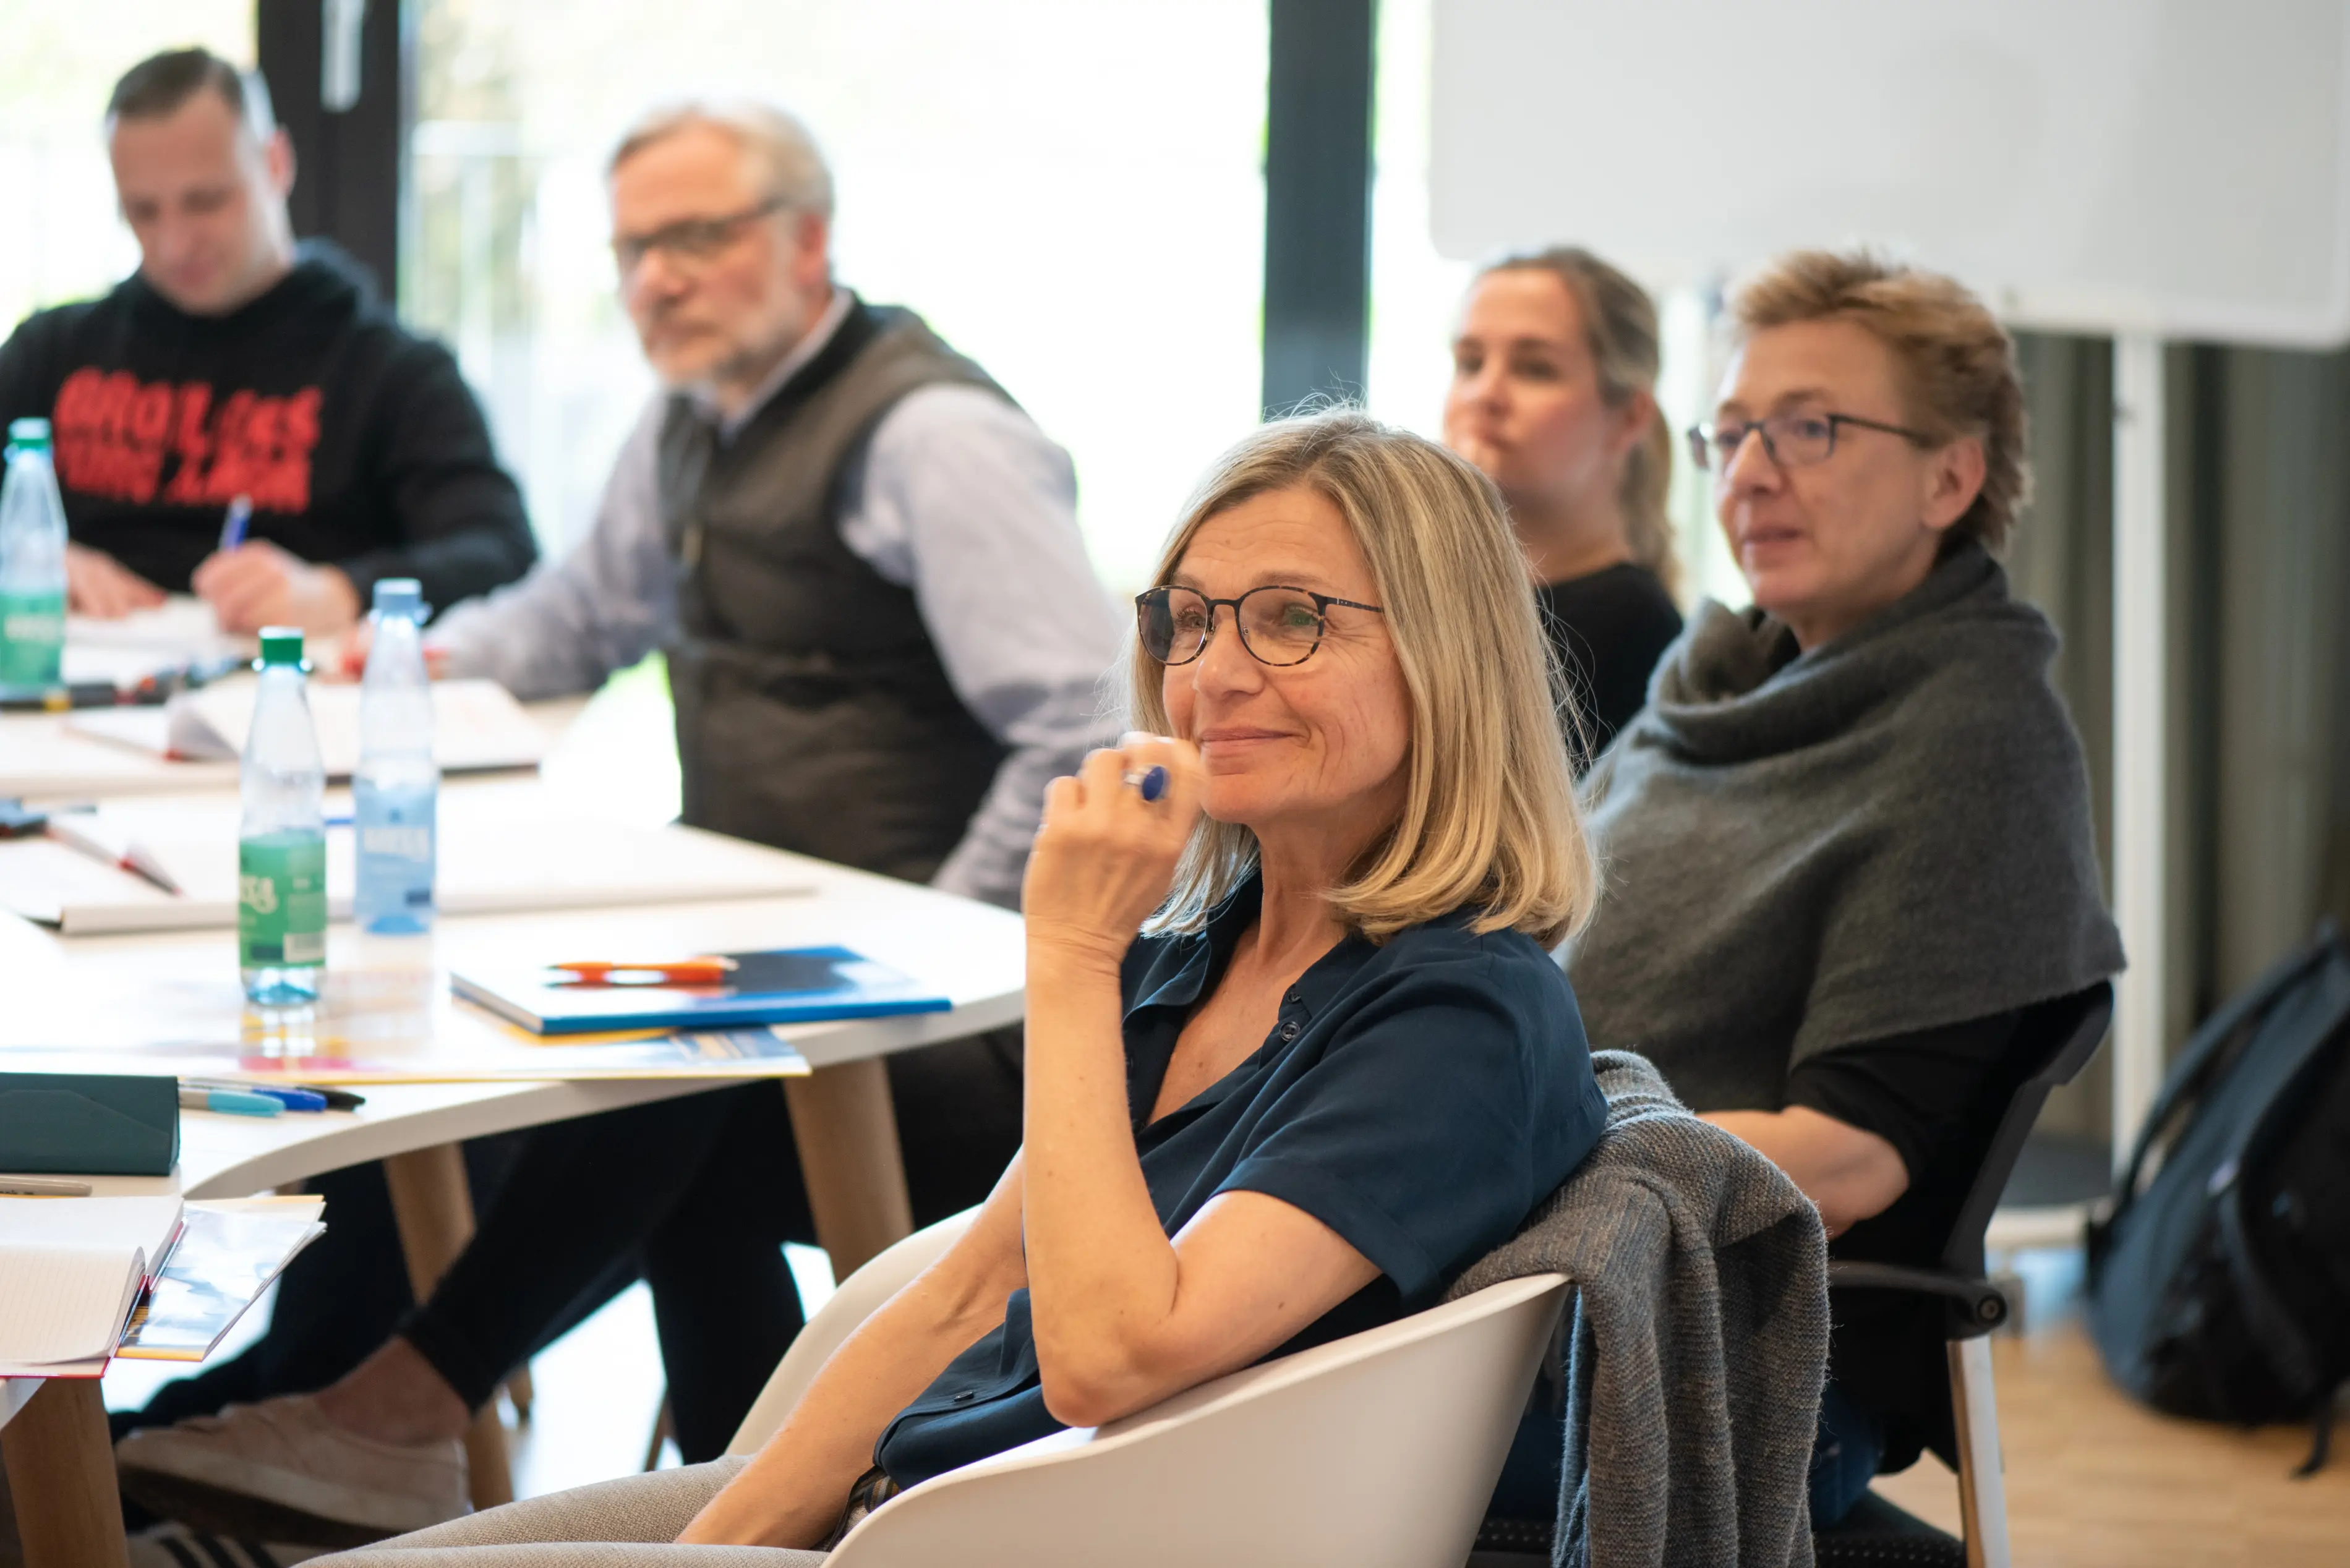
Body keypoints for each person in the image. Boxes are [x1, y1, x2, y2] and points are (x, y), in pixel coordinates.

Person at [288, 409, 1609, 1561]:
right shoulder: (1204, 952)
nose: (1210, 674)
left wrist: (1074, 950)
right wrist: (706, 1554)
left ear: (1441, 655)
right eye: (1192, 618)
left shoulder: (1465, 1020)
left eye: (1291, 618)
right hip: (916, 1489)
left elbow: (1105, 1356)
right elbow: (972, 1292)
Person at [114, 98, 1119, 1543]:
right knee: (608, 1093)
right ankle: (668, 1482)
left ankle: (388, 1419)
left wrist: (945, 949)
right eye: (634, 247)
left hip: (958, 1038)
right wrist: (396, 655)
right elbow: (571, 621)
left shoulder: (932, 439)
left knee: (669, 1094)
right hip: (791, 981)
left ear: (808, 239)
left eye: (696, 238)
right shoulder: (694, 423)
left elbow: (1081, 724)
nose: (656, 277)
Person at [1564, 250, 2126, 1526]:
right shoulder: (1708, 680)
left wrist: (1509, 1148)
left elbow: (1851, 1156)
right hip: (1558, 1257)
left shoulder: (1974, 741)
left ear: (1951, 474)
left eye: (1806, 429)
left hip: (1725, 1324)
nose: (1750, 471)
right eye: (1732, 434)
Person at [0, 48, 536, 633]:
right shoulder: (53, 349)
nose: (174, 243)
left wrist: (342, 590)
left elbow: (502, 552)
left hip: (284, 695)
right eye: (142, 211)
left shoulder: (391, 372)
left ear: (276, 164)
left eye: (205, 202)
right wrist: (24, 558)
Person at [1443, 247, 1683, 764]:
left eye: (1535, 369)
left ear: (1629, 417)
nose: (1485, 393)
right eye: (1469, 363)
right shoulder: (1441, 588)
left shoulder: (1633, 625)